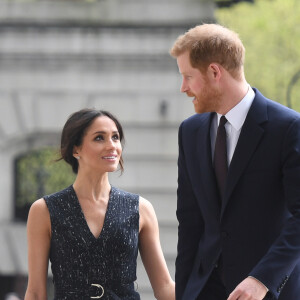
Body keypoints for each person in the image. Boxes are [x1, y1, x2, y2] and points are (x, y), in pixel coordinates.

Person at [169, 23, 300, 300]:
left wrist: (262, 279)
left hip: (267, 292)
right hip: (205, 291)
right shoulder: (189, 132)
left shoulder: (288, 127)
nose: (183, 87)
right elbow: (190, 223)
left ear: (215, 72)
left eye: (188, 77)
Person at [24, 108, 175, 300]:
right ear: (75, 149)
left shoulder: (140, 208)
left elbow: (164, 288)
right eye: (99, 138)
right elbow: (36, 293)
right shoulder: (44, 210)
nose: (112, 145)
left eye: (115, 137)